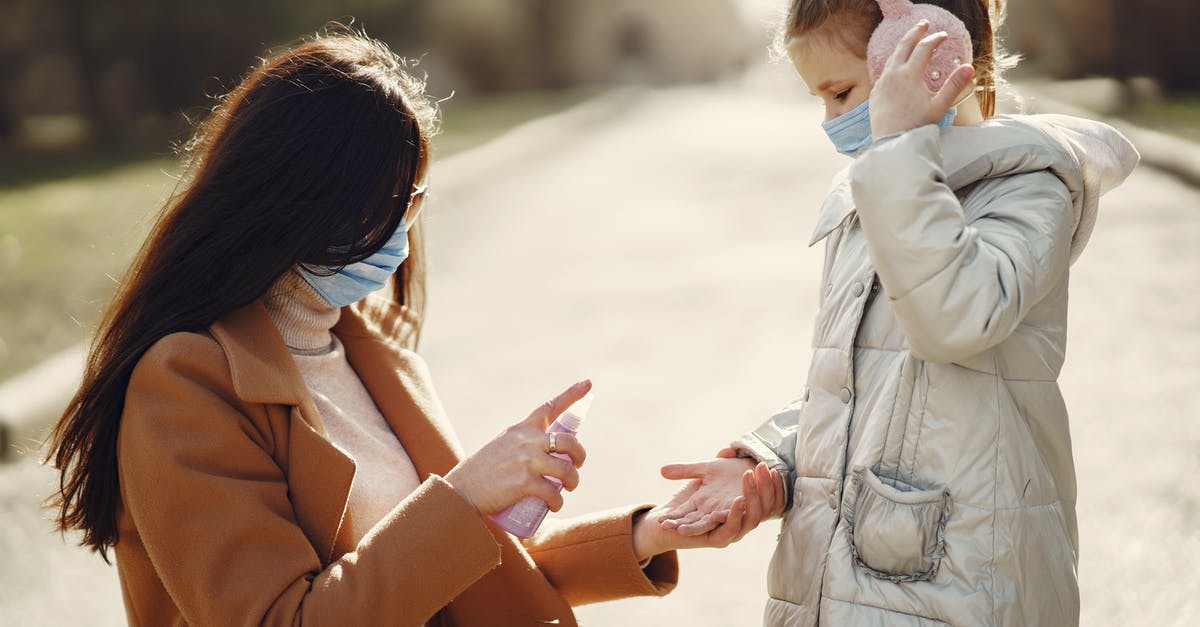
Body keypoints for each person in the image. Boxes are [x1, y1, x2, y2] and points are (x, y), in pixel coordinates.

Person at [44, 31, 772, 627]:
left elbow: (453, 573)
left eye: (410, 201)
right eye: (375, 205)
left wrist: (647, 533)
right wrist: (462, 495)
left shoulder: (368, 340)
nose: (398, 232)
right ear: (289, 200)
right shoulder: (186, 382)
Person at [656, 0, 1139, 625]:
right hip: (844, 585)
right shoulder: (880, 192)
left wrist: (898, 152)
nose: (831, 121)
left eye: (841, 92)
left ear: (931, 59)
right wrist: (767, 462)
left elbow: (953, 320)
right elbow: (861, 392)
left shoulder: (1027, 189)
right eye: (821, 101)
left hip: (958, 588)